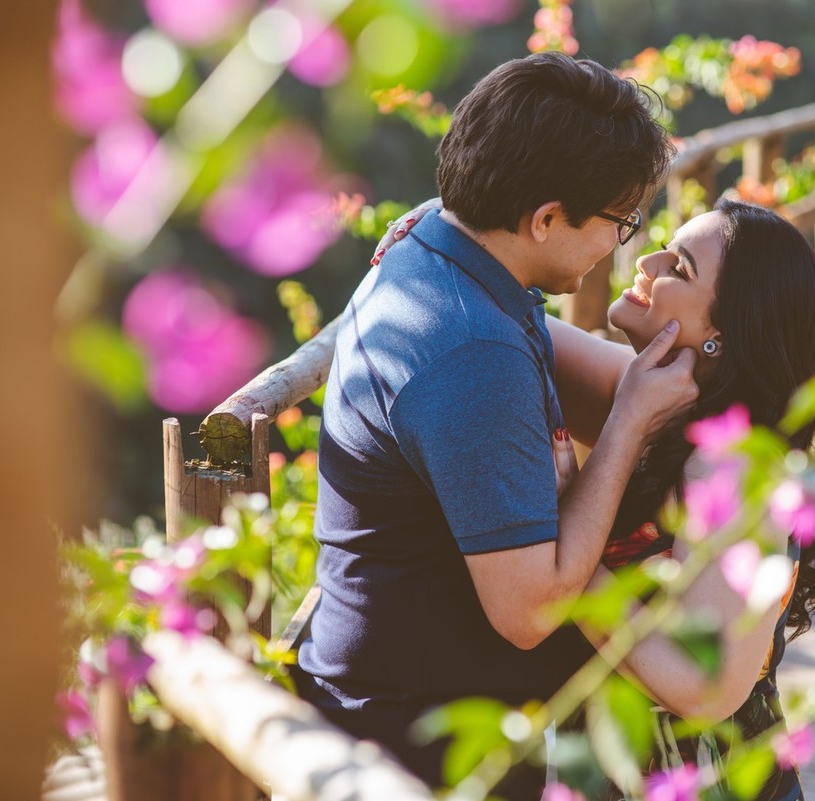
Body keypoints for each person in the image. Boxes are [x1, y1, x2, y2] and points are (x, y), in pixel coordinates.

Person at [294, 51, 695, 799]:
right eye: (620, 223)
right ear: (545, 219)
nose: (621, 244)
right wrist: (629, 424)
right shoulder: (471, 347)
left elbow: (599, 377)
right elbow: (531, 612)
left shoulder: (439, 241)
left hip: (394, 693)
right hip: (418, 743)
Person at [386, 197, 815, 800]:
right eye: (664, 247)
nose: (647, 261)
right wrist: (435, 230)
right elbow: (488, 314)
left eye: (680, 268)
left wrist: (567, 547)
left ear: (720, 336)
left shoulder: (733, 466)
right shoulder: (658, 397)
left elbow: (709, 690)